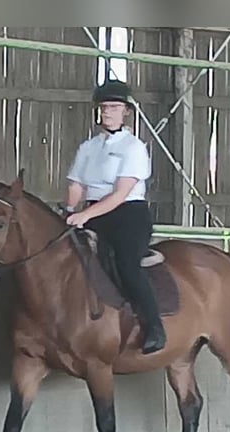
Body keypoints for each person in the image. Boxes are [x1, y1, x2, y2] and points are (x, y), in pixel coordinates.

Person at [62, 78, 167, 355]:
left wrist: (84, 214)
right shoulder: (88, 147)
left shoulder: (133, 148)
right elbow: (76, 184)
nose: (107, 112)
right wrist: (69, 211)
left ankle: (154, 326)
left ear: (125, 111)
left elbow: (120, 194)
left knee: (127, 265)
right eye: (104, 107)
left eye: (113, 107)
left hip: (127, 215)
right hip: (91, 212)